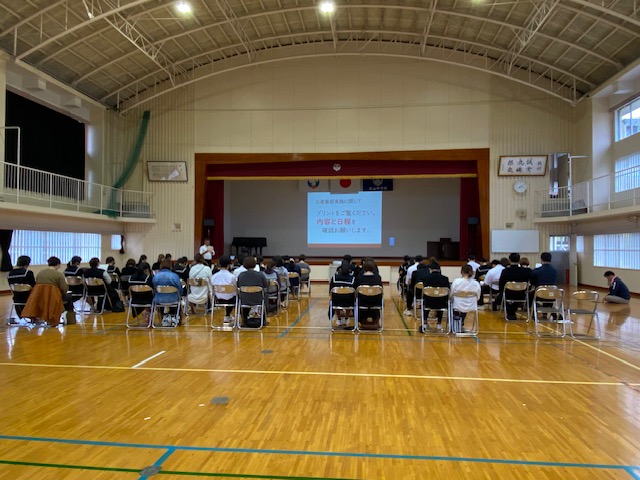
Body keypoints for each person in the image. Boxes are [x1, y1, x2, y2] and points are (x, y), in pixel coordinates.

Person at [29, 256, 75, 326]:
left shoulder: (40, 273)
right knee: (69, 297)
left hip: (40, 297)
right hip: (54, 297)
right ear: (58, 264)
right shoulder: (59, 275)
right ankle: (70, 320)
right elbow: (64, 289)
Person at [416, 261, 450, 332]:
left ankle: (425, 323)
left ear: (430, 269)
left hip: (428, 302)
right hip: (442, 303)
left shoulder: (425, 278)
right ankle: (439, 323)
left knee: (425, 301)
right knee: (440, 298)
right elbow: (448, 291)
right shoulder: (445, 279)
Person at [236, 256, 269, 327]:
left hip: (244, 300)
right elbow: (266, 287)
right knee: (265, 296)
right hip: (258, 299)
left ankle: (244, 319)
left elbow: (238, 286)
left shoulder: (241, 275)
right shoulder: (260, 275)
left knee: (242, 299)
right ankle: (263, 319)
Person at [498, 253, 532, 320]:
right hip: (522, 294)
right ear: (519, 260)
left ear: (509, 260)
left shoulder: (505, 271)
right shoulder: (526, 271)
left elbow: (501, 283)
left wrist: (502, 291)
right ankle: (512, 311)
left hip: (508, 294)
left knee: (502, 296)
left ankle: (510, 312)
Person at [450, 265, 481, 332]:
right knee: (463, 308)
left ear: (461, 272)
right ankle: (460, 323)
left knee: (453, 305)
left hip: (457, 305)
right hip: (471, 305)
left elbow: (451, 294)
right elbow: (478, 297)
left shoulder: (456, 281)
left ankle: (455, 323)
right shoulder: (476, 284)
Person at [354, 258, 383, 329]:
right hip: (375, 302)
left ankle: (361, 320)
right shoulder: (377, 278)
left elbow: (356, 290)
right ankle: (376, 320)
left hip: (362, 302)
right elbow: (381, 291)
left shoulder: (359, 278)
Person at [153, 259, 183, 326]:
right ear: (171, 266)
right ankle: (175, 319)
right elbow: (180, 289)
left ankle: (161, 318)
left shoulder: (156, 276)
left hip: (159, 299)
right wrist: (180, 296)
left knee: (159, 303)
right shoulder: (174, 276)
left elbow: (153, 289)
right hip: (173, 299)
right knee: (176, 303)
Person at [210, 255, 237, 324]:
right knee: (234, 295)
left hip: (218, 300)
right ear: (229, 265)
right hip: (230, 300)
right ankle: (228, 315)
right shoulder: (232, 276)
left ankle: (228, 316)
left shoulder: (214, 276)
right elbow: (235, 287)